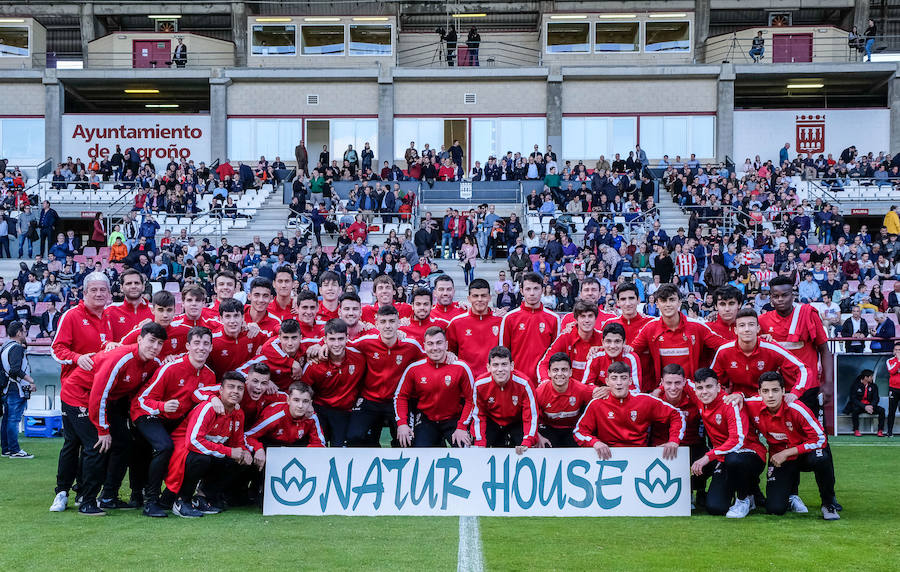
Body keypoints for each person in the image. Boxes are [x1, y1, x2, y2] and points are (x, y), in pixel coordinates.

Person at [130, 326, 216, 517]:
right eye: (196, 343)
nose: (201, 348)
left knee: (194, 450)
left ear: (211, 347)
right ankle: (151, 502)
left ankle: (175, 498)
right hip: (148, 414)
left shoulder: (209, 375)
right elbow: (141, 400)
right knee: (164, 447)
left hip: (176, 420)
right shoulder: (171, 367)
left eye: (206, 344)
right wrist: (162, 406)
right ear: (187, 346)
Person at [83, 322, 166, 515]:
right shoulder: (121, 357)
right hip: (79, 395)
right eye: (151, 341)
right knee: (97, 445)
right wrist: (102, 430)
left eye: (160, 343)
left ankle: (108, 496)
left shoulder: (154, 363)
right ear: (139, 339)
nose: (155, 347)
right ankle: (86, 500)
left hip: (108, 401)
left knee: (124, 444)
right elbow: (99, 393)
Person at [50, 271, 114, 513]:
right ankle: (72, 493)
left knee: (75, 442)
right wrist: (78, 358)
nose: (98, 294)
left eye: (102, 290)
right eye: (93, 290)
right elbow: (56, 350)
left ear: (109, 293)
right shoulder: (72, 316)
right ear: (84, 293)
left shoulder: (110, 317)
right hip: (74, 391)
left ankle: (71, 491)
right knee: (86, 443)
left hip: (100, 393)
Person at [745, 372, 840, 520]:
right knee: (774, 509)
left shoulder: (797, 408)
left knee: (821, 457)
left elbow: (821, 439)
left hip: (803, 455)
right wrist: (737, 395)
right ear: (759, 393)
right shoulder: (751, 404)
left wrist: (788, 452)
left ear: (783, 391)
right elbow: (735, 401)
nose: (770, 395)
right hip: (780, 459)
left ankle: (828, 504)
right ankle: (790, 496)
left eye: (775, 390)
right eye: (765, 391)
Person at [163, 371, 252, 518]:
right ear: (221, 390)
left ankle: (202, 497)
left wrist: (244, 452)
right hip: (183, 453)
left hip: (206, 452)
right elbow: (193, 442)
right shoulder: (208, 408)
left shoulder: (238, 413)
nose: (235, 391)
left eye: (239, 388)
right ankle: (181, 501)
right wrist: (229, 452)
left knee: (238, 461)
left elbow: (237, 443)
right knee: (201, 459)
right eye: (231, 387)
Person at [688, 368, 766, 518]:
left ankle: (743, 499)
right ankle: (752, 491)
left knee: (734, 458)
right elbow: (681, 382)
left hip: (749, 453)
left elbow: (737, 441)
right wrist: (658, 390)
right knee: (715, 507)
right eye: (700, 388)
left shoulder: (730, 404)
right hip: (724, 457)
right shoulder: (699, 398)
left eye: (709, 387)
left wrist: (708, 456)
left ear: (718, 387)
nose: (704, 392)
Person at [345, 305, 424, 447]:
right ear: (376, 324)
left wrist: (449, 355)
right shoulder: (367, 342)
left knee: (407, 440)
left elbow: (430, 356)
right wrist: (322, 344)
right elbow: (342, 344)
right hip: (370, 399)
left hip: (397, 401)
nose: (388, 326)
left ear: (399, 323)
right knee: (354, 437)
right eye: (383, 322)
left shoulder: (411, 345)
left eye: (392, 321)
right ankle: (373, 461)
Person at [759, 275, 833, 421]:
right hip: (777, 388)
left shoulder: (808, 313)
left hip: (808, 386)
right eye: (776, 296)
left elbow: (824, 349)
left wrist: (828, 382)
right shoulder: (762, 321)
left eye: (785, 295)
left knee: (815, 437)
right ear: (771, 299)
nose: (780, 299)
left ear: (793, 296)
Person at [574, 361, 684, 459]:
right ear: (607, 381)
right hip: (608, 457)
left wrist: (674, 441)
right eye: (614, 378)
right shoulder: (597, 404)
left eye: (623, 378)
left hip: (640, 456)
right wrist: (595, 443)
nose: (619, 382)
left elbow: (677, 414)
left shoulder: (644, 401)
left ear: (630, 381)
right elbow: (579, 431)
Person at [394, 326, 475, 447]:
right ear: (424, 346)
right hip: (426, 419)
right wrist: (402, 424)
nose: (435, 348)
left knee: (464, 448)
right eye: (430, 344)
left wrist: (462, 427)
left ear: (446, 345)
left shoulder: (461, 367)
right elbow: (400, 396)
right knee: (417, 450)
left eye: (439, 343)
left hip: (453, 419)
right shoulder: (414, 369)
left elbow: (472, 399)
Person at [631, 283, 727, 384]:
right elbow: (631, 353)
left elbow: (726, 347)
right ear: (657, 304)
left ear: (679, 302)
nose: (668, 304)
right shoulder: (650, 328)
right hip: (663, 391)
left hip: (693, 391)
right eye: (663, 301)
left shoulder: (697, 326)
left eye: (672, 300)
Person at [711, 308, 808, 398]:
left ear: (758, 329)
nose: (747, 329)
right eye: (742, 325)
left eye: (751, 325)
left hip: (767, 400)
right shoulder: (724, 351)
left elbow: (803, 369)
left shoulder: (771, 348)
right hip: (737, 400)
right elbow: (711, 380)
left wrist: (795, 393)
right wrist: (723, 396)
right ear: (735, 330)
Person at [301, 319, 365, 446]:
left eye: (340, 339)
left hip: (344, 411)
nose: (336, 344)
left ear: (347, 338)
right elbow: (303, 390)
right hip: (320, 410)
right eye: (332, 339)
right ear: (324, 339)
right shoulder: (314, 363)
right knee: (317, 446)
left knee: (340, 450)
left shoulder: (359, 357)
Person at [245, 382, 326, 472]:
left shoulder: (311, 416)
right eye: (296, 400)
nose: (300, 406)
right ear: (288, 400)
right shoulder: (273, 417)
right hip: (271, 446)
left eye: (305, 401)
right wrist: (258, 449)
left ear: (310, 403)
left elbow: (320, 443)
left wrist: (304, 455)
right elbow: (248, 436)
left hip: (294, 447)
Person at [471, 346, 537, 453]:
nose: (500, 369)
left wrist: (527, 441)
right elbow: (479, 415)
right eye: (495, 365)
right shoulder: (480, 384)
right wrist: (480, 442)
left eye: (504, 364)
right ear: (488, 367)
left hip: (516, 422)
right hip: (492, 421)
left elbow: (531, 416)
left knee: (527, 450)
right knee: (478, 450)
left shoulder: (524, 384)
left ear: (511, 366)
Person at [499, 272, 560, 385]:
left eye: (536, 288)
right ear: (521, 291)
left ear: (542, 290)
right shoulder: (509, 318)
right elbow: (503, 354)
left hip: (544, 382)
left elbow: (556, 354)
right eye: (528, 289)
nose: (532, 293)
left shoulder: (553, 319)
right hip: (516, 381)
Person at [534, 353, 597, 448]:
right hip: (548, 428)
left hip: (572, 430)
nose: (559, 374)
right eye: (555, 370)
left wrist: (607, 390)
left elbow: (598, 403)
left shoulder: (582, 390)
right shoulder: (540, 392)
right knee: (545, 446)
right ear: (549, 373)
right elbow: (528, 416)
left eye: (564, 370)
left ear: (571, 372)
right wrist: (537, 436)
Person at [537, 299, 604, 385]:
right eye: (583, 316)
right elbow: (544, 364)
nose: (587, 320)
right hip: (570, 392)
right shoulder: (565, 337)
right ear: (576, 319)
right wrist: (546, 382)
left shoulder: (603, 339)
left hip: (595, 392)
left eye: (590, 316)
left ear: (595, 318)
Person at [446, 278, 502, 379]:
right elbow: (450, 351)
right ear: (469, 298)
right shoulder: (456, 323)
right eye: (475, 296)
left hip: (494, 380)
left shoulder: (501, 321)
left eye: (483, 296)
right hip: (466, 379)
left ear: (489, 297)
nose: (479, 299)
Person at [1, 322, 36, 459]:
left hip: (8, 387)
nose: (25, 333)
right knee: (13, 420)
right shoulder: (16, 348)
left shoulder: (5, 346)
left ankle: (6, 449)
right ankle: (14, 450)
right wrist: (30, 380)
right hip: (15, 387)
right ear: (18, 333)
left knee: (7, 419)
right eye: (24, 331)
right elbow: (15, 370)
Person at [238, 319, 304, 391]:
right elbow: (239, 371)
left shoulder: (306, 347)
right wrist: (263, 381)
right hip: (272, 398)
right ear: (279, 338)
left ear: (301, 338)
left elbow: (317, 342)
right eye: (285, 338)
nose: (290, 343)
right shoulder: (266, 358)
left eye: (294, 338)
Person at [105, 269, 153, 342]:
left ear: (143, 287)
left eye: (137, 283)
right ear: (121, 288)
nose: (133, 286)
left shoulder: (155, 312)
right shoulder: (110, 311)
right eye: (128, 283)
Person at [842, 369, 885, 437]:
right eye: (871, 376)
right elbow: (853, 399)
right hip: (859, 406)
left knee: (882, 410)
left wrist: (871, 406)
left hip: (870, 406)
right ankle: (856, 430)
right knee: (855, 410)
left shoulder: (874, 386)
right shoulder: (855, 385)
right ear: (866, 377)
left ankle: (880, 430)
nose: (872, 378)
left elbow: (876, 398)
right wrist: (864, 406)